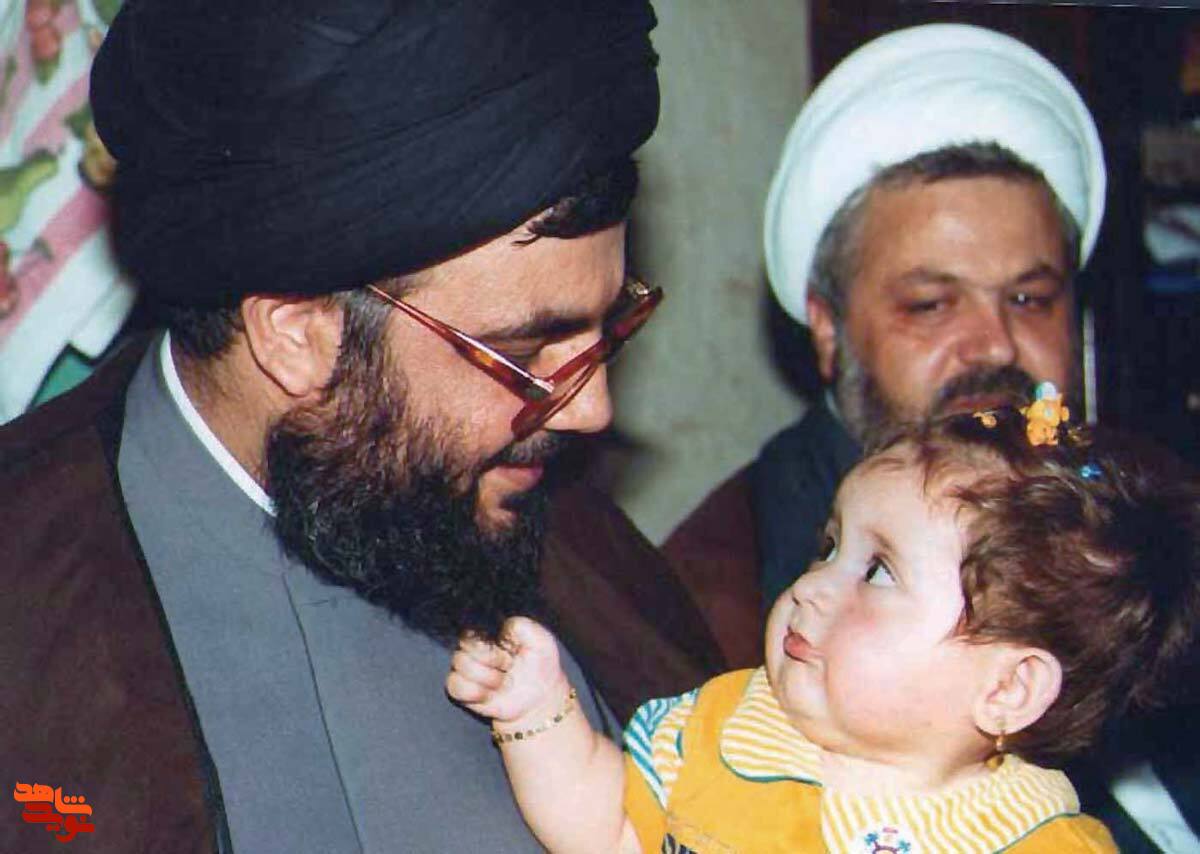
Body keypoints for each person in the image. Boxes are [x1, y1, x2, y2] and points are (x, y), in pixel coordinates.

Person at [0, 2, 723, 852]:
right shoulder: (29, 608)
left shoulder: (570, 540)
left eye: (610, 329)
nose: (593, 409)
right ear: (296, 336)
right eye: (524, 353)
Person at [449, 396, 1200, 853]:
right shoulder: (725, 733)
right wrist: (538, 711)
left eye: (878, 572)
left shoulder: (1040, 844)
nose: (810, 587)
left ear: (1007, 689)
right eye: (829, 547)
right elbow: (608, 832)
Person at [664, 24, 1106, 670]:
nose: (995, 347)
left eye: (1029, 299)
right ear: (828, 329)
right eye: (931, 305)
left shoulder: (1141, 534)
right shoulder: (721, 602)